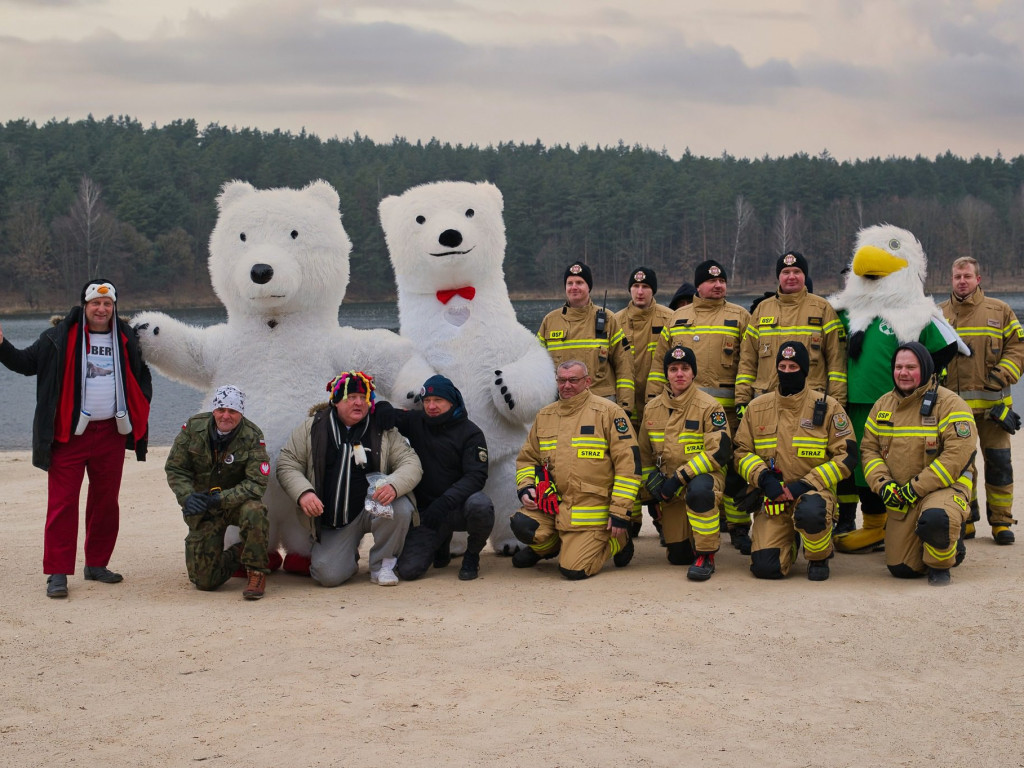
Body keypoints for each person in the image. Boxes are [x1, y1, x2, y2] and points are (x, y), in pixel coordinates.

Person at [0, 279, 151, 599]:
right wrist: (2, 345)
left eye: (107, 303)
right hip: (68, 435)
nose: (101, 309)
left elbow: (142, 377)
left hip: (110, 433)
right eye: (95, 303)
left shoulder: (125, 337)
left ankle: (96, 564)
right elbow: (25, 364)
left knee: (106, 502)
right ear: (84, 305)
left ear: (114, 307)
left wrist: (141, 414)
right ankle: (57, 572)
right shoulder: (57, 337)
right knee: (62, 504)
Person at [276, 371, 422, 587]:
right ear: (335, 401)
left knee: (400, 506)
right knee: (327, 576)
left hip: (374, 506)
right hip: (334, 519)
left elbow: (411, 462)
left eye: (363, 397)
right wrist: (304, 493)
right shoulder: (312, 428)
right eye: (351, 397)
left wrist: (394, 485)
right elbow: (287, 463)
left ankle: (383, 566)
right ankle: (345, 554)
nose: (358, 403)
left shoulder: (382, 428)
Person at [647, 260, 752, 553]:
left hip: (729, 412)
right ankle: (690, 525)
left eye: (722, 280)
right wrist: (655, 402)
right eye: (711, 281)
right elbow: (660, 365)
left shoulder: (740, 316)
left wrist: (744, 403)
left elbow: (748, 365)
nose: (718, 285)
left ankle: (739, 527)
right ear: (699, 285)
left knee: (734, 472)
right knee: (684, 464)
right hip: (683, 413)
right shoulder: (678, 318)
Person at [733, 341, 857, 581]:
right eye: (783, 365)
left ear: (804, 370)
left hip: (813, 494)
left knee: (811, 512)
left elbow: (847, 455)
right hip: (773, 497)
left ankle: (819, 556)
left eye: (793, 366)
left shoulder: (829, 407)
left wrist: (806, 484)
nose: (787, 371)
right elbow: (741, 451)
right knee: (766, 569)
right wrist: (764, 478)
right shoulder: (757, 407)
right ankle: (787, 542)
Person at [511, 360, 641, 579]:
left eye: (573, 380)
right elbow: (527, 459)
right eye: (561, 380)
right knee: (522, 524)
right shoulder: (545, 416)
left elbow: (629, 466)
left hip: (590, 509)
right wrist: (526, 488)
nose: (567, 385)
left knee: (574, 570)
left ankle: (618, 540)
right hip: (553, 505)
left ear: (587, 381)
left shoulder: (609, 412)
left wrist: (620, 513)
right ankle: (550, 547)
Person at [860, 343, 977, 585]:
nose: (903, 372)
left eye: (910, 367)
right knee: (902, 568)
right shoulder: (882, 405)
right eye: (898, 367)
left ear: (925, 369)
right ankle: (941, 539)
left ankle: (942, 562)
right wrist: (884, 485)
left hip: (943, 489)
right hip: (903, 493)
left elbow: (956, 458)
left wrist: (915, 488)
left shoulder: (951, 404)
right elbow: (869, 451)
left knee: (937, 521)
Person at [939, 257, 1023, 544]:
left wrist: (1003, 374)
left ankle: (1001, 522)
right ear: (951, 280)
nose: (962, 281)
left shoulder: (1000, 311)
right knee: (962, 466)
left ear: (978, 279)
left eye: (967, 276)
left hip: (994, 410)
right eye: (957, 276)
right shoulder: (938, 315)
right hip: (955, 412)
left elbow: (1018, 348)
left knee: (1000, 464)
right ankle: (968, 519)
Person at [380, 375, 494, 581]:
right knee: (408, 571)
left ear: (452, 401)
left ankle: (472, 555)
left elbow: (476, 476)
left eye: (438, 400)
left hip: (456, 506)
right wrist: (382, 408)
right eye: (427, 401)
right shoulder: (416, 421)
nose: (431, 406)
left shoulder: (471, 433)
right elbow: (389, 415)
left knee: (481, 505)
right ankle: (440, 543)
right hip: (427, 514)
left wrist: (445, 502)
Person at [164, 385, 271, 599]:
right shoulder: (194, 428)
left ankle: (256, 572)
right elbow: (176, 468)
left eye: (233, 411)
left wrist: (220, 499)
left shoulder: (252, 436)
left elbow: (256, 483)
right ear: (214, 410)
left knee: (255, 511)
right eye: (221, 409)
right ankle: (241, 551)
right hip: (204, 507)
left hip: (235, 504)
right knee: (204, 581)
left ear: (241, 413)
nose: (226, 416)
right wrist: (188, 497)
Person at [639, 345, 732, 580]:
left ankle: (706, 554)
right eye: (673, 369)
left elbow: (719, 452)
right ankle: (687, 537)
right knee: (678, 556)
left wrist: (681, 477)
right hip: (670, 487)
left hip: (703, 479)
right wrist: (653, 487)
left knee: (700, 491)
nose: (679, 373)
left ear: (693, 373)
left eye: (685, 368)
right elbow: (643, 455)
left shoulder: (710, 406)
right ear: (666, 374)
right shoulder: (652, 409)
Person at [735, 252, 846, 411]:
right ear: (778, 276)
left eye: (797, 272)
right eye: (786, 272)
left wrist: (838, 404)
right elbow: (747, 361)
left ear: (804, 275)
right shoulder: (762, 310)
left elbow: (837, 363)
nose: (791, 276)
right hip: (767, 402)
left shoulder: (822, 309)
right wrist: (742, 400)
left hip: (811, 403)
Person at [614, 266, 674, 535]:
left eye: (646, 287)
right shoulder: (615, 321)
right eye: (636, 287)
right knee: (628, 459)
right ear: (630, 289)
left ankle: (663, 517)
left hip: (660, 405)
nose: (640, 291)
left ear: (653, 291)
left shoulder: (669, 319)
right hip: (626, 404)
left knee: (661, 457)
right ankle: (633, 518)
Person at [536, 261, 634, 417]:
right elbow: (535, 365)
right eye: (570, 283)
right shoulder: (550, 321)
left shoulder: (608, 319)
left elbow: (624, 367)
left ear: (589, 287)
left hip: (601, 405)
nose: (574, 287)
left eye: (580, 282)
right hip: (561, 404)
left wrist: (626, 407)